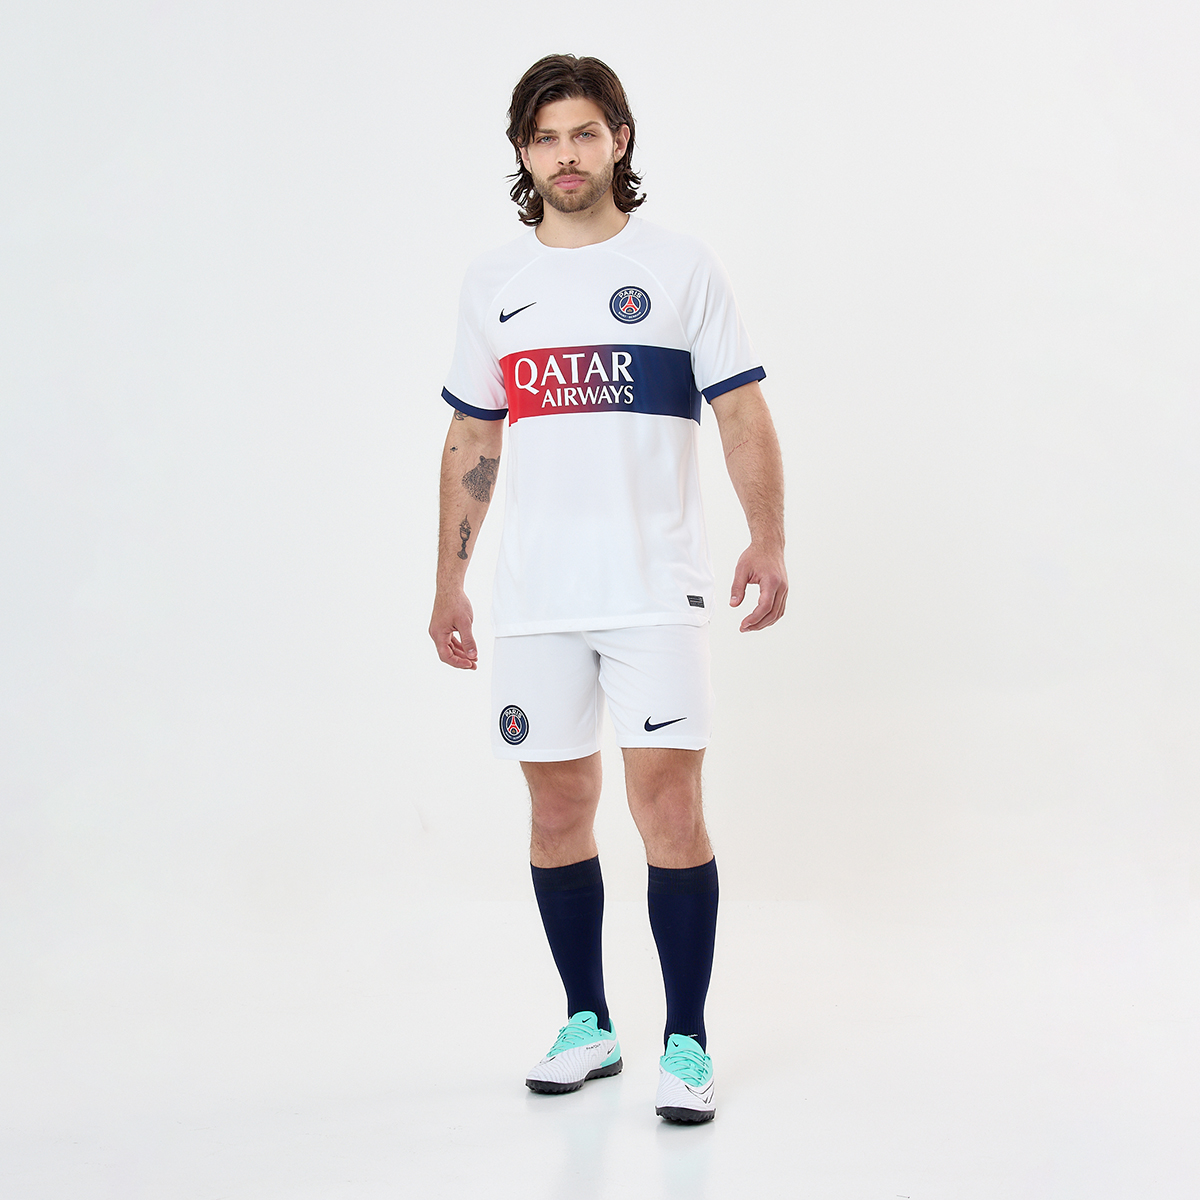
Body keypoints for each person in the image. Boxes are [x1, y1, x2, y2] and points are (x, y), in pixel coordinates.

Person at [429, 53, 786, 1124]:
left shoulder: (677, 267)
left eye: (584, 132)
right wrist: (450, 581)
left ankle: (687, 1037)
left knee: (668, 806)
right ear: (523, 153)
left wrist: (768, 539)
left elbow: (740, 410)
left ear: (618, 139)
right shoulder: (495, 283)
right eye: (545, 139)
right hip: (538, 597)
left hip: (654, 591)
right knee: (557, 808)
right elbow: (472, 436)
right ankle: (587, 1021)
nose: (566, 155)